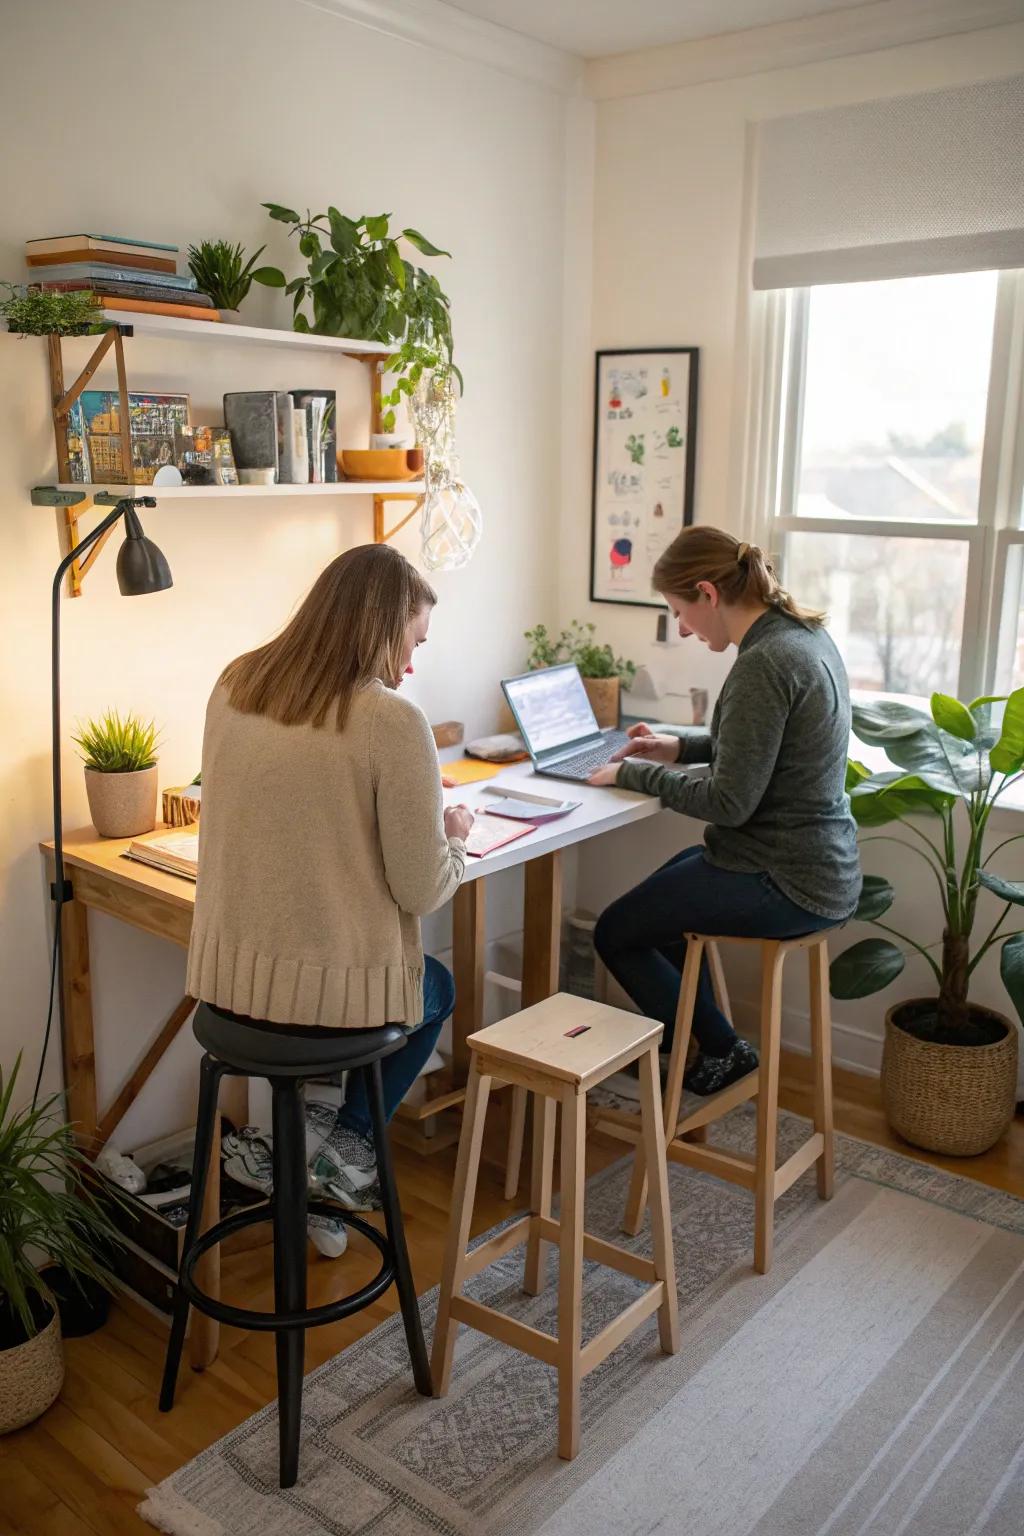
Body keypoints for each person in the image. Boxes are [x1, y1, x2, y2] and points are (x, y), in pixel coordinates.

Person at [187, 544, 474, 1248]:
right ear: (381, 626)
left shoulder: (236, 683)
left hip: (225, 993)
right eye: (413, 640)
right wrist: (457, 837)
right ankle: (344, 1150)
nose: (411, 664)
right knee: (435, 987)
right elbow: (423, 887)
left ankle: (301, 1158)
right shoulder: (391, 720)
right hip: (325, 1013)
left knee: (344, 980)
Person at [589, 527, 860, 1095]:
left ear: (709, 594)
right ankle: (688, 1039)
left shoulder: (764, 663)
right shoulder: (803, 637)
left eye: (680, 611)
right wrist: (677, 746)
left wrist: (635, 772)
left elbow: (729, 803)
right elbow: (760, 745)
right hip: (819, 864)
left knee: (616, 931)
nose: (683, 628)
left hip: (784, 877)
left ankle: (722, 1048)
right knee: (657, 903)